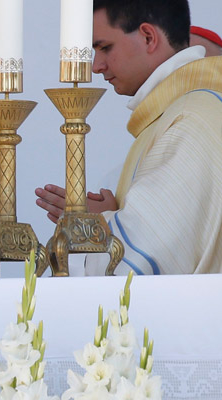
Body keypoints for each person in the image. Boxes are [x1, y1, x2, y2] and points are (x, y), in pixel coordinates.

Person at [34, 0, 222, 275]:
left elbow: (140, 264)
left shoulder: (192, 120)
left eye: (104, 47)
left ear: (148, 37)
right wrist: (112, 217)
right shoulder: (179, 113)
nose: (96, 66)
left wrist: (98, 226)